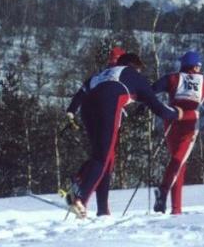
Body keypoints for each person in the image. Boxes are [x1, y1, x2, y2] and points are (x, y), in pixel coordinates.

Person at [65, 52, 180, 218]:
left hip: (87, 107)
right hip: (108, 103)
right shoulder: (134, 75)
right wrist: (177, 114)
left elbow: (81, 93)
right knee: (102, 158)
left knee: (104, 156)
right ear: (135, 66)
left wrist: (70, 112)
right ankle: (79, 197)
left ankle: (101, 209)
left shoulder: (102, 74)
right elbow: (159, 108)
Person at [152, 50, 204, 214]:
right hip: (190, 121)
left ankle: (176, 209)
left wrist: (145, 106)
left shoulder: (172, 78)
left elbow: (150, 91)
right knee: (178, 161)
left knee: (178, 162)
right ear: (197, 66)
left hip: (171, 120)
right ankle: (163, 190)